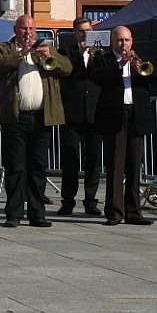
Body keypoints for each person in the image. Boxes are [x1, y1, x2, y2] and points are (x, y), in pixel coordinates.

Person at [0, 14, 72, 228]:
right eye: (24, 29)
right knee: (15, 167)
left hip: (41, 116)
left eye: (32, 29)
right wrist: (21, 54)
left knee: (38, 167)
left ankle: (37, 213)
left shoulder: (46, 48)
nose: (28, 33)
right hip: (15, 118)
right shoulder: (4, 48)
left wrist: (47, 55)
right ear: (16, 30)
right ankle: (14, 214)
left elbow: (67, 68)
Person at [88, 25, 157, 226]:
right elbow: (99, 77)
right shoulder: (105, 59)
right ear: (113, 42)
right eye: (120, 40)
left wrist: (139, 65)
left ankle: (134, 211)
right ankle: (114, 212)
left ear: (132, 41)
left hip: (136, 115)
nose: (124, 44)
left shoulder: (141, 59)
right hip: (114, 116)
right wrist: (120, 65)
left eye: (127, 40)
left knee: (134, 166)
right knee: (115, 166)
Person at [57, 17, 103, 217]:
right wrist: (83, 52)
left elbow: (103, 74)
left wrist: (93, 55)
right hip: (72, 113)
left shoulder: (101, 53)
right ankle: (67, 201)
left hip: (94, 114)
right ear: (75, 33)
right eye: (81, 31)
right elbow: (66, 70)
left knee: (93, 159)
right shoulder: (67, 52)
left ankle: (91, 201)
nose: (85, 34)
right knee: (70, 159)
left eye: (87, 30)